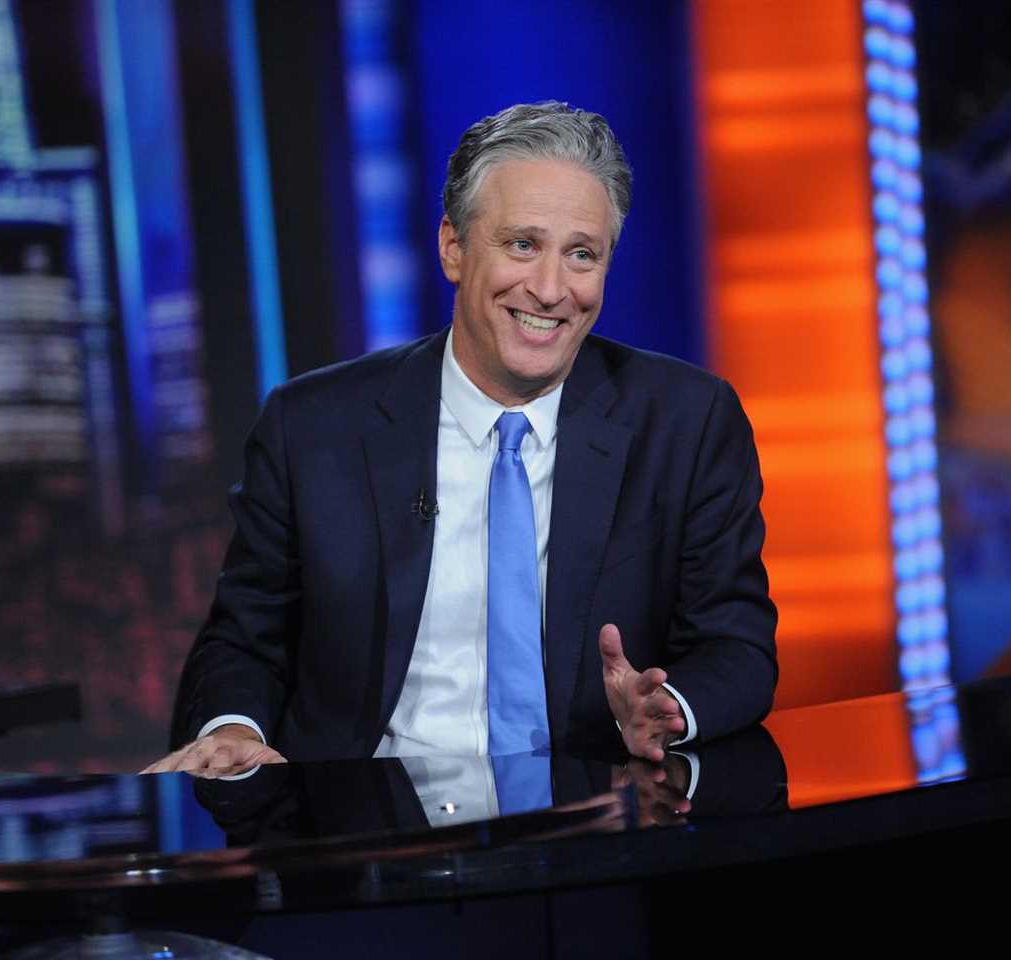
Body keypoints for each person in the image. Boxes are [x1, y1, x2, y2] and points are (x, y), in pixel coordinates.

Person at [144, 101, 777, 778]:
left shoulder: (686, 422)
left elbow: (736, 647)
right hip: (370, 836)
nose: (550, 288)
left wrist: (670, 709)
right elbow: (242, 643)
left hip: (599, 822)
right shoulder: (313, 427)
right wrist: (235, 730)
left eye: (582, 255)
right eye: (522, 245)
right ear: (454, 247)